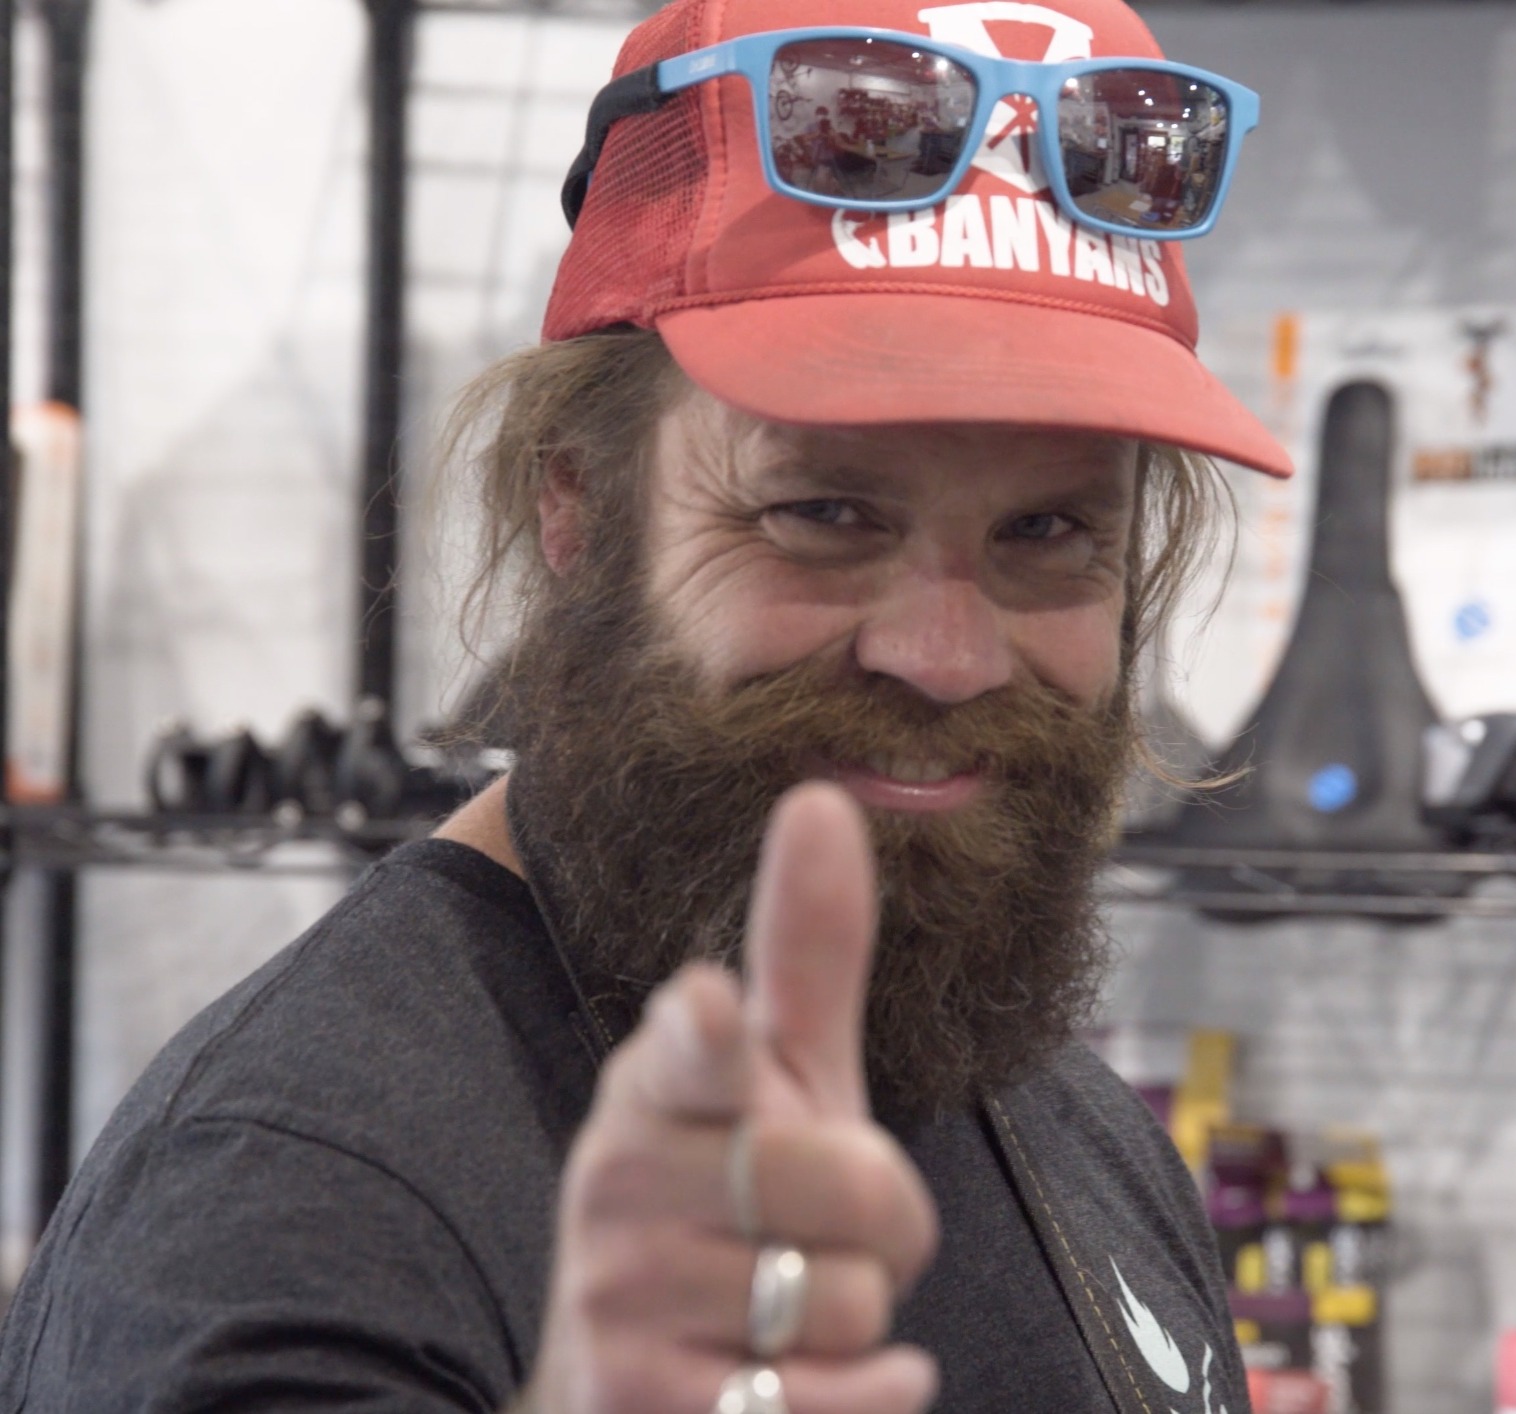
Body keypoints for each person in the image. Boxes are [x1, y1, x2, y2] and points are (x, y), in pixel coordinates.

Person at [0, 0, 1293, 1409]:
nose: (946, 652)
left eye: (1048, 533)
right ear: (578, 505)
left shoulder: (1072, 1125)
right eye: (822, 511)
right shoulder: (297, 1215)